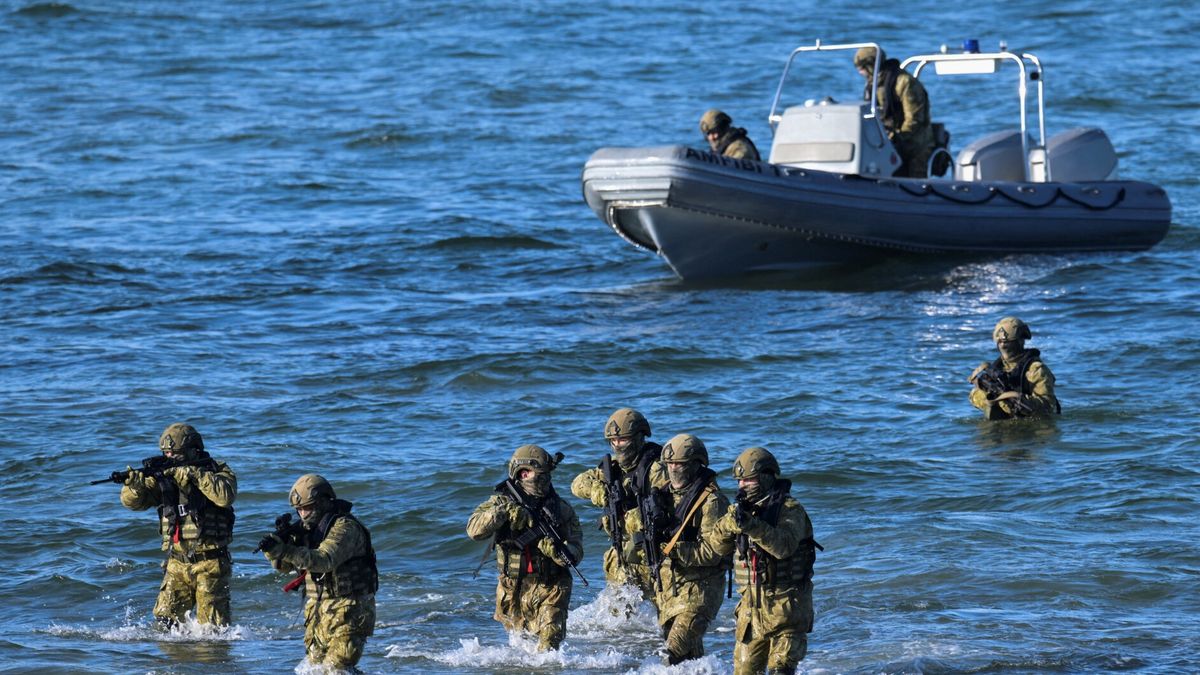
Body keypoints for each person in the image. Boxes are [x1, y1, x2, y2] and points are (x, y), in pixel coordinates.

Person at [702, 447, 820, 675]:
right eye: (739, 481)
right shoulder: (741, 510)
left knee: (781, 670)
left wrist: (751, 526)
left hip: (786, 607)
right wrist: (730, 525)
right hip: (751, 610)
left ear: (766, 477)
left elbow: (783, 547)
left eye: (748, 480)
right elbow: (715, 547)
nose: (742, 486)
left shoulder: (790, 510)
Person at [468, 445, 584, 651]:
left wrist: (556, 551)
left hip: (552, 588)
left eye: (544, 475)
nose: (540, 480)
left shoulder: (561, 510)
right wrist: (504, 513)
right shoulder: (501, 502)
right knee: (520, 652)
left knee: (548, 653)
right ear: (520, 474)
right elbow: (474, 530)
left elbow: (576, 552)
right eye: (531, 474)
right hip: (512, 589)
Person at [119, 423, 235, 628]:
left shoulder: (216, 470)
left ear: (193, 450)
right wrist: (134, 487)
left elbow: (225, 496)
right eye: (166, 453)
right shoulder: (164, 476)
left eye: (175, 453)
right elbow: (133, 503)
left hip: (210, 563)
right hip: (176, 562)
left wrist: (194, 475)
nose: (169, 457)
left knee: (212, 632)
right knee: (165, 625)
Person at [258, 474, 378, 670]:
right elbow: (284, 567)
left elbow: (324, 560)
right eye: (299, 510)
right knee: (315, 670)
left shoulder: (345, 527)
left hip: (349, 611)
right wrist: (275, 552)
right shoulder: (308, 531)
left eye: (307, 508)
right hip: (318, 613)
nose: (303, 514)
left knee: (335, 670)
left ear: (323, 502)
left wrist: (287, 551)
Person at [570, 408, 668, 601]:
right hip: (621, 555)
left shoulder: (657, 468)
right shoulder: (613, 468)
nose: (617, 445)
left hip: (653, 552)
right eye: (613, 441)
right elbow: (577, 483)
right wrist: (599, 492)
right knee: (618, 619)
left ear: (639, 437)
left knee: (665, 617)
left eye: (623, 439)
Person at [653, 434, 731, 664]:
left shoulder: (712, 502)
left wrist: (672, 549)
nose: (673, 469)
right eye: (669, 464)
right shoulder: (662, 495)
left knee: (671, 655)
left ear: (696, 464)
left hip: (701, 591)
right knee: (689, 661)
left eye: (679, 464)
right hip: (670, 591)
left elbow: (713, 552)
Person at [853, 46, 936, 178]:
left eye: (862, 68)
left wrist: (896, 138)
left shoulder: (904, 83)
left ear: (871, 65)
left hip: (914, 144)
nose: (860, 72)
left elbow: (914, 118)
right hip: (887, 143)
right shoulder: (872, 85)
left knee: (914, 184)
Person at [969, 316, 1061, 420]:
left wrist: (1018, 401)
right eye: (1001, 342)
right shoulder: (997, 368)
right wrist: (989, 398)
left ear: (1021, 341)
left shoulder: (1035, 370)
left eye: (1007, 342)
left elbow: (1047, 406)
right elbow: (973, 396)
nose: (1003, 345)